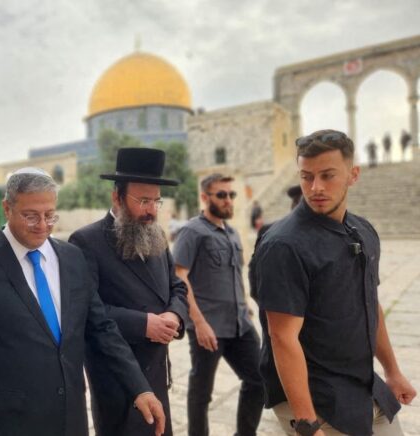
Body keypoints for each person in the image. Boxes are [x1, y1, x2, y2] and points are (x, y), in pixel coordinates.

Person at [0, 168, 166, 436]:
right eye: (31, 216)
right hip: (8, 424)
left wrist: (139, 387)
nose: (43, 225)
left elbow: (102, 329)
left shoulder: (71, 258)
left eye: (50, 215)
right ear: (7, 208)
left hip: (70, 420)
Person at [252, 129, 416, 435]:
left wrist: (392, 372)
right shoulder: (284, 245)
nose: (315, 188)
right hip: (315, 396)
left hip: (360, 382)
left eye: (328, 175)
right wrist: (306, 423)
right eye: (306, 176)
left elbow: (370, 302)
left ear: (353, 174)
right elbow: (282, 337)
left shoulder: (362, 230)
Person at [69, 147, 189, 436]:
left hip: (157, 373)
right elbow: (87, 312)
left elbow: (177, 286)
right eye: (143, 200)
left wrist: (175, 314)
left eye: (156, 201)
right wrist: (145, 324)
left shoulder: (157, 235)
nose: (151, 210)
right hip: (117, 380)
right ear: (117, 197)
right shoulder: (87, 241)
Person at [173, 173, 264, 436]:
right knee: (201, 393)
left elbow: (235, 273)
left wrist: (244, 304)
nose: (228, 200)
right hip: (208, 327)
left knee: (258, 379)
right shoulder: (192, 231)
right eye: (221, 195)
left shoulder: (233, 233)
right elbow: (180, 277)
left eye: (231, 194)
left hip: (239, 324)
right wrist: (199, 323)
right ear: (204, 197)